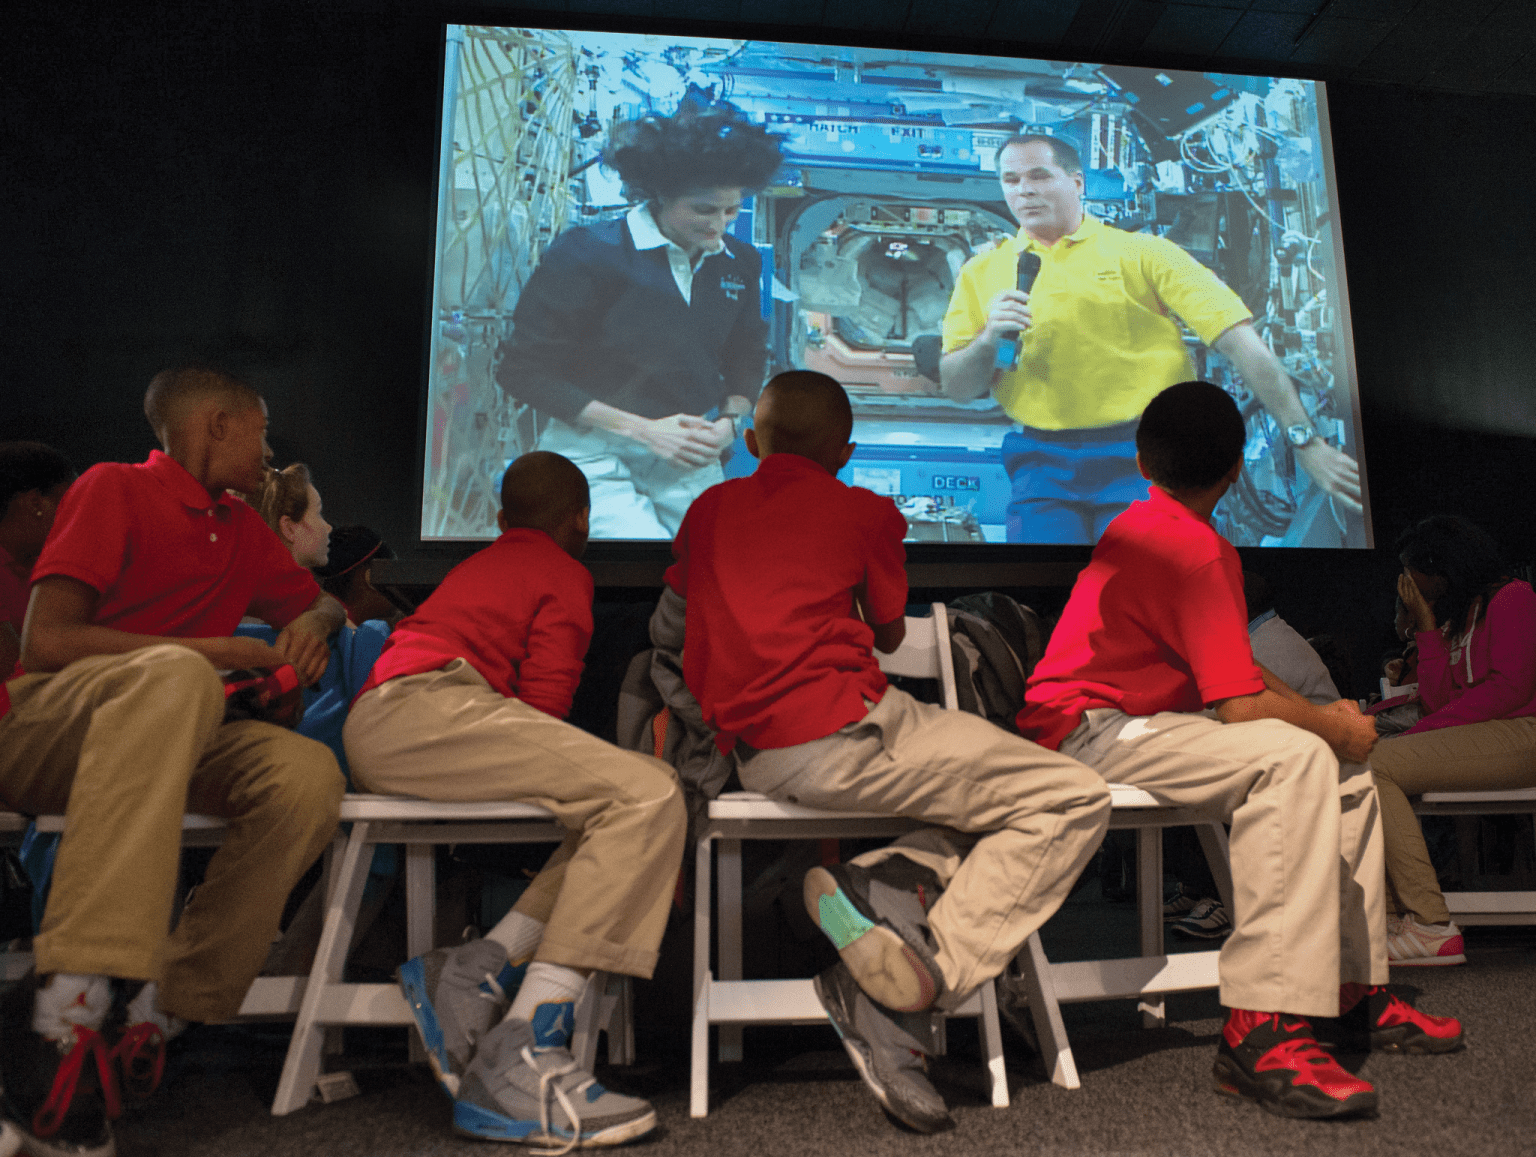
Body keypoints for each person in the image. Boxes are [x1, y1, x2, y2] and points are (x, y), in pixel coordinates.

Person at [656, 369, 1111, 1133]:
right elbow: (892, 632)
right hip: (850, 730)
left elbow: (684, 613)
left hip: (755, 756)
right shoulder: (863, 509)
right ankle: (918, 977)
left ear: (749, 440)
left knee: (990, 803)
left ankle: (889, 880)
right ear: (847, 452)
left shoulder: (707, 508)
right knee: (1069, 795)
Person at [1017, 381, 1461, 1120]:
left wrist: (1328, 721)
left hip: (1118, 722)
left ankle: (1349, 993)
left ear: (1139, 459)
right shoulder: (1195, 548)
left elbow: (1241, 671)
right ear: (1235, 472)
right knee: (1297, 758)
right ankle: (1263, 1029)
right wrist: (1330, 726)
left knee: (1341, 765)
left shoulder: (1144, 522)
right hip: (1087, 730)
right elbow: (1241, 703)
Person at [0, 366, 346, 1157]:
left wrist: (316, 625)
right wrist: (218, 650)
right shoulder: (111, 488)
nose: (267, 452)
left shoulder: (238, 523)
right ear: (217, 424)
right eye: (260, 431)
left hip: (169, 727)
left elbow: (319, 598)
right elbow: (45, 644)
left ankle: (162, 1008)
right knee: (181, 674)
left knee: (305, 776)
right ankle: (68, 1003)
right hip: (49, 726)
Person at [344, 451, 682, 1149]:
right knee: (651, 792)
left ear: (500, 521)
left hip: (388, 718)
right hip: (430, 709)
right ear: (581, 520)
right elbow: (545, 708)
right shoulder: (564, 570)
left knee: (618, 816)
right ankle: (521, 1050)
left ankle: (477, 966)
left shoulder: (479, 565)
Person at [939, 134, 1361, 544]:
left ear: (1077, 182)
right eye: (1011, 181)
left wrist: (1305, 440)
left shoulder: (1144, 254)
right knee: (1053, 596)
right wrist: (989, 339)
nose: (1024, 191)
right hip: (1041, 463)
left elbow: (1239, 341)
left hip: (1145, 456)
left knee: (1143, 590)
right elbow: (958, 387)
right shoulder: (981, 274)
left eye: (1039, 176)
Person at [496, 102, 783, 539]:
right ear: (660, 196)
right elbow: (521, 372)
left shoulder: (738, 262)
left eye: (731, 211)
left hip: (685, 450)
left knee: (712, 561)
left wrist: (729, 423)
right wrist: (645, 430)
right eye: (704, 210)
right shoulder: (589, 252)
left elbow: (747, 353)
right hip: (591, 446)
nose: (719, 227)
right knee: (640, 558)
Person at [1371, 516, 1536, 966]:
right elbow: (1439, 701)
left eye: (1412, 570)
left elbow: (1511, 690)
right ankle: (1391, 919)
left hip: (1525, 731)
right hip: (1490, 732)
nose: (1408, 582)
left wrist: (1421, 732)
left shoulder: (1514, 597)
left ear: (1443, 566)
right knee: (1360, 764)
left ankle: (1428, 922)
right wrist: (1426, 626)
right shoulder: (1464, 614)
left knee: (1374, 764)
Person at [0, 442, 76, 674]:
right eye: (73, 502)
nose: (82, 515)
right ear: (35, 504)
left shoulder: (43, 567)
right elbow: (15, 677)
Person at [314, 523, 402, 627]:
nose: (399, 583)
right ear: (369, 577)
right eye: (391, 574)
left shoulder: (325, 620)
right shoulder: (345, 635)